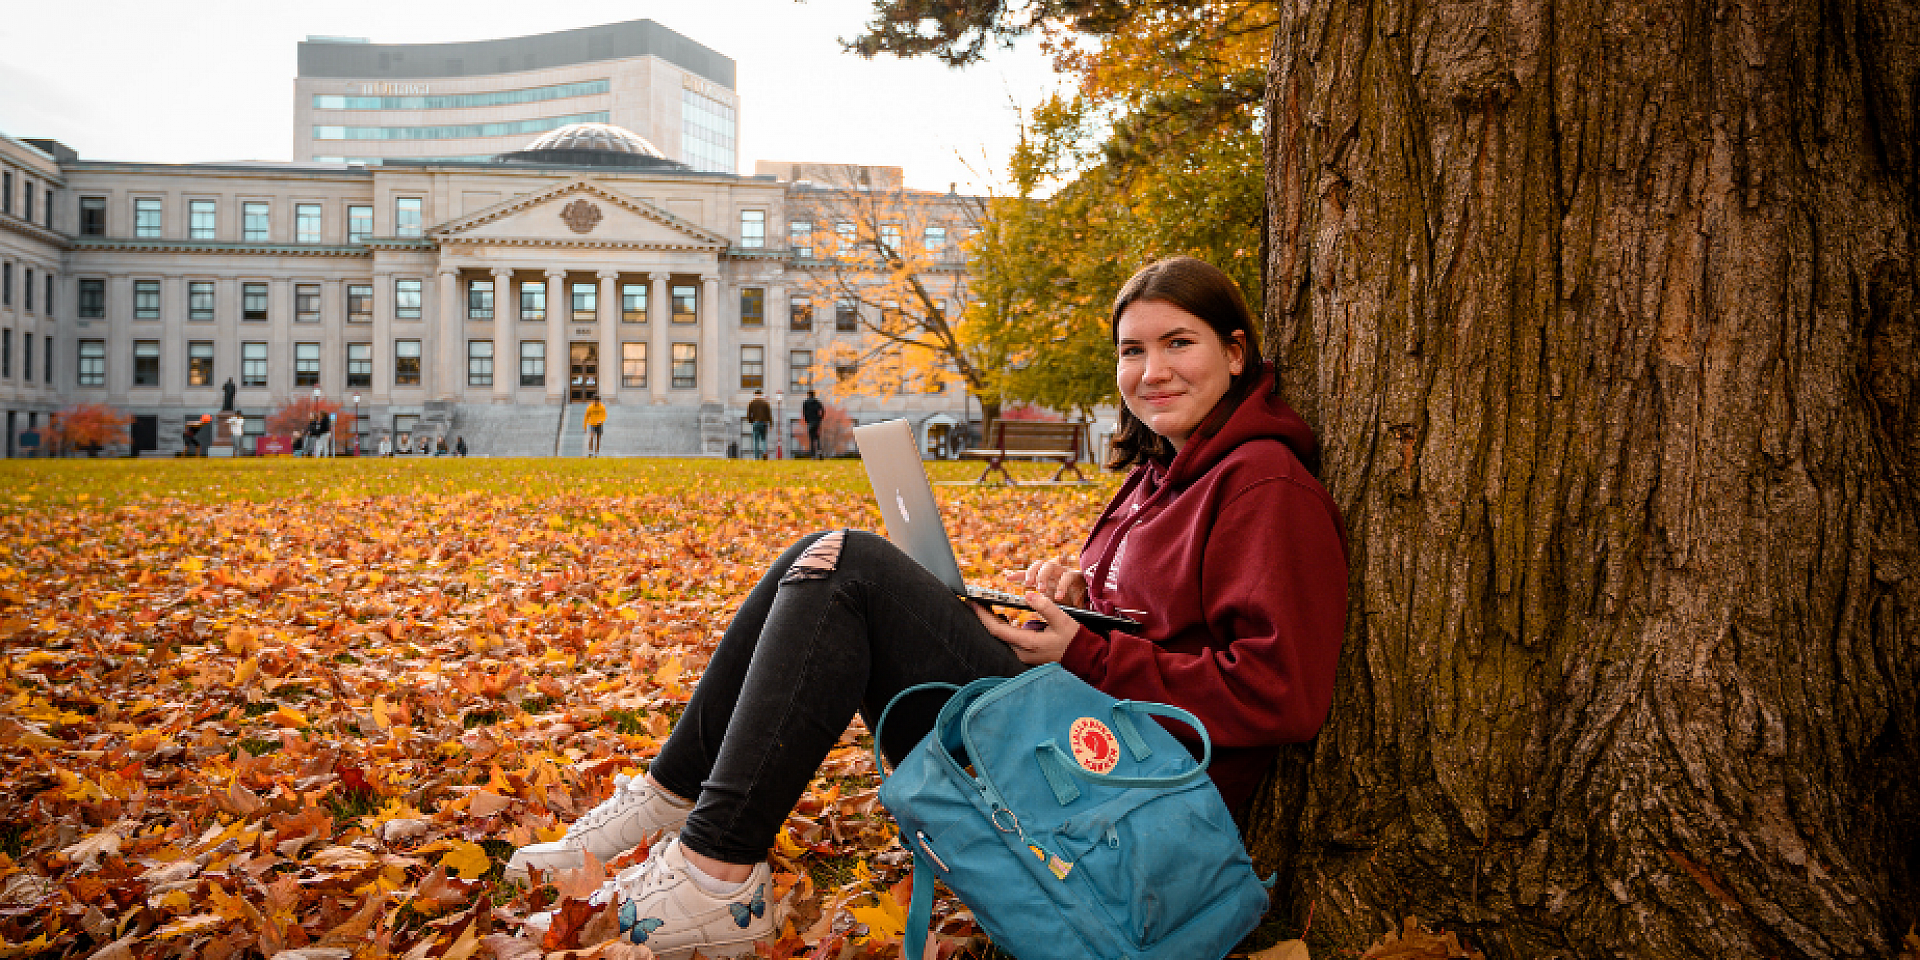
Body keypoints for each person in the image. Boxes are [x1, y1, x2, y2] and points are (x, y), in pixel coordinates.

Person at [507, 257, 1349, 959]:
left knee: (848, 568)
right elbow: (1162, 614)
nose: (1151, 371)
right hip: (1078, 742)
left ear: (1237, 353)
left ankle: (714, 879)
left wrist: (1083, 653)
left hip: (1127, 797)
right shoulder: (1164, 473)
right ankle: (671, 798)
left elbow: (1285, 691)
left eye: (1179, 344)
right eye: (1133, 350)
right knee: (819, 557)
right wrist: (1079, 597)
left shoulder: (1263, 483)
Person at [745, 390, 772, 459]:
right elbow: (769, 414)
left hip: (755, 422)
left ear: (755, 395)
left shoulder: (752, 403)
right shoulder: (765, 403)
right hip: (764, 423)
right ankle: (764, 452)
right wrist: (771, 424)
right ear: (761, 395)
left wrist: (750, 421)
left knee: (755, 440)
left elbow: (748, 414)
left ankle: (756, 457)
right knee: (763, 439)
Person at [802, 389, 825, 459]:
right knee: (817, 437)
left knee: (811, 439)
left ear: (809, 395)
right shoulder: (817, 402)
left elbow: (804, 412)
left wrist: (806, 420)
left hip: (810, 422)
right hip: (817, 421)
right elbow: (822, 410)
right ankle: (819, 451)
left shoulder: (806, 402)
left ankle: (813, 455)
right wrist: (820, 418)